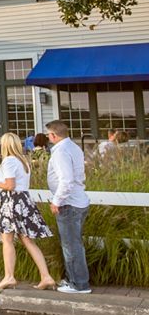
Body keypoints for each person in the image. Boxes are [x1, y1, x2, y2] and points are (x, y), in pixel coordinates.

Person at [0, 132, 55, 290]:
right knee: (27, 240)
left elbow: (10, 185)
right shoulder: (23, 161)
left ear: (6, 145)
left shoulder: (8, 161)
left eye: (2, 143)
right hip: (23, 201)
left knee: (7, 240)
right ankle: (46, 276)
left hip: (11, 201)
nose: (1, 145)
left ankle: (9, 277)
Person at [45, 120, 92, 294]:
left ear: (54, 135)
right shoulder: (73, 147)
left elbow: (66, 179)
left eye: (49, 135)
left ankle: (79, 284)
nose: (49, 138)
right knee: (75, 244)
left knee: (71, 246)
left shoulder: (61, 152)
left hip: (68, 203)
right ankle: (74, 279)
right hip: (78, 201)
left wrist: (56, 201)